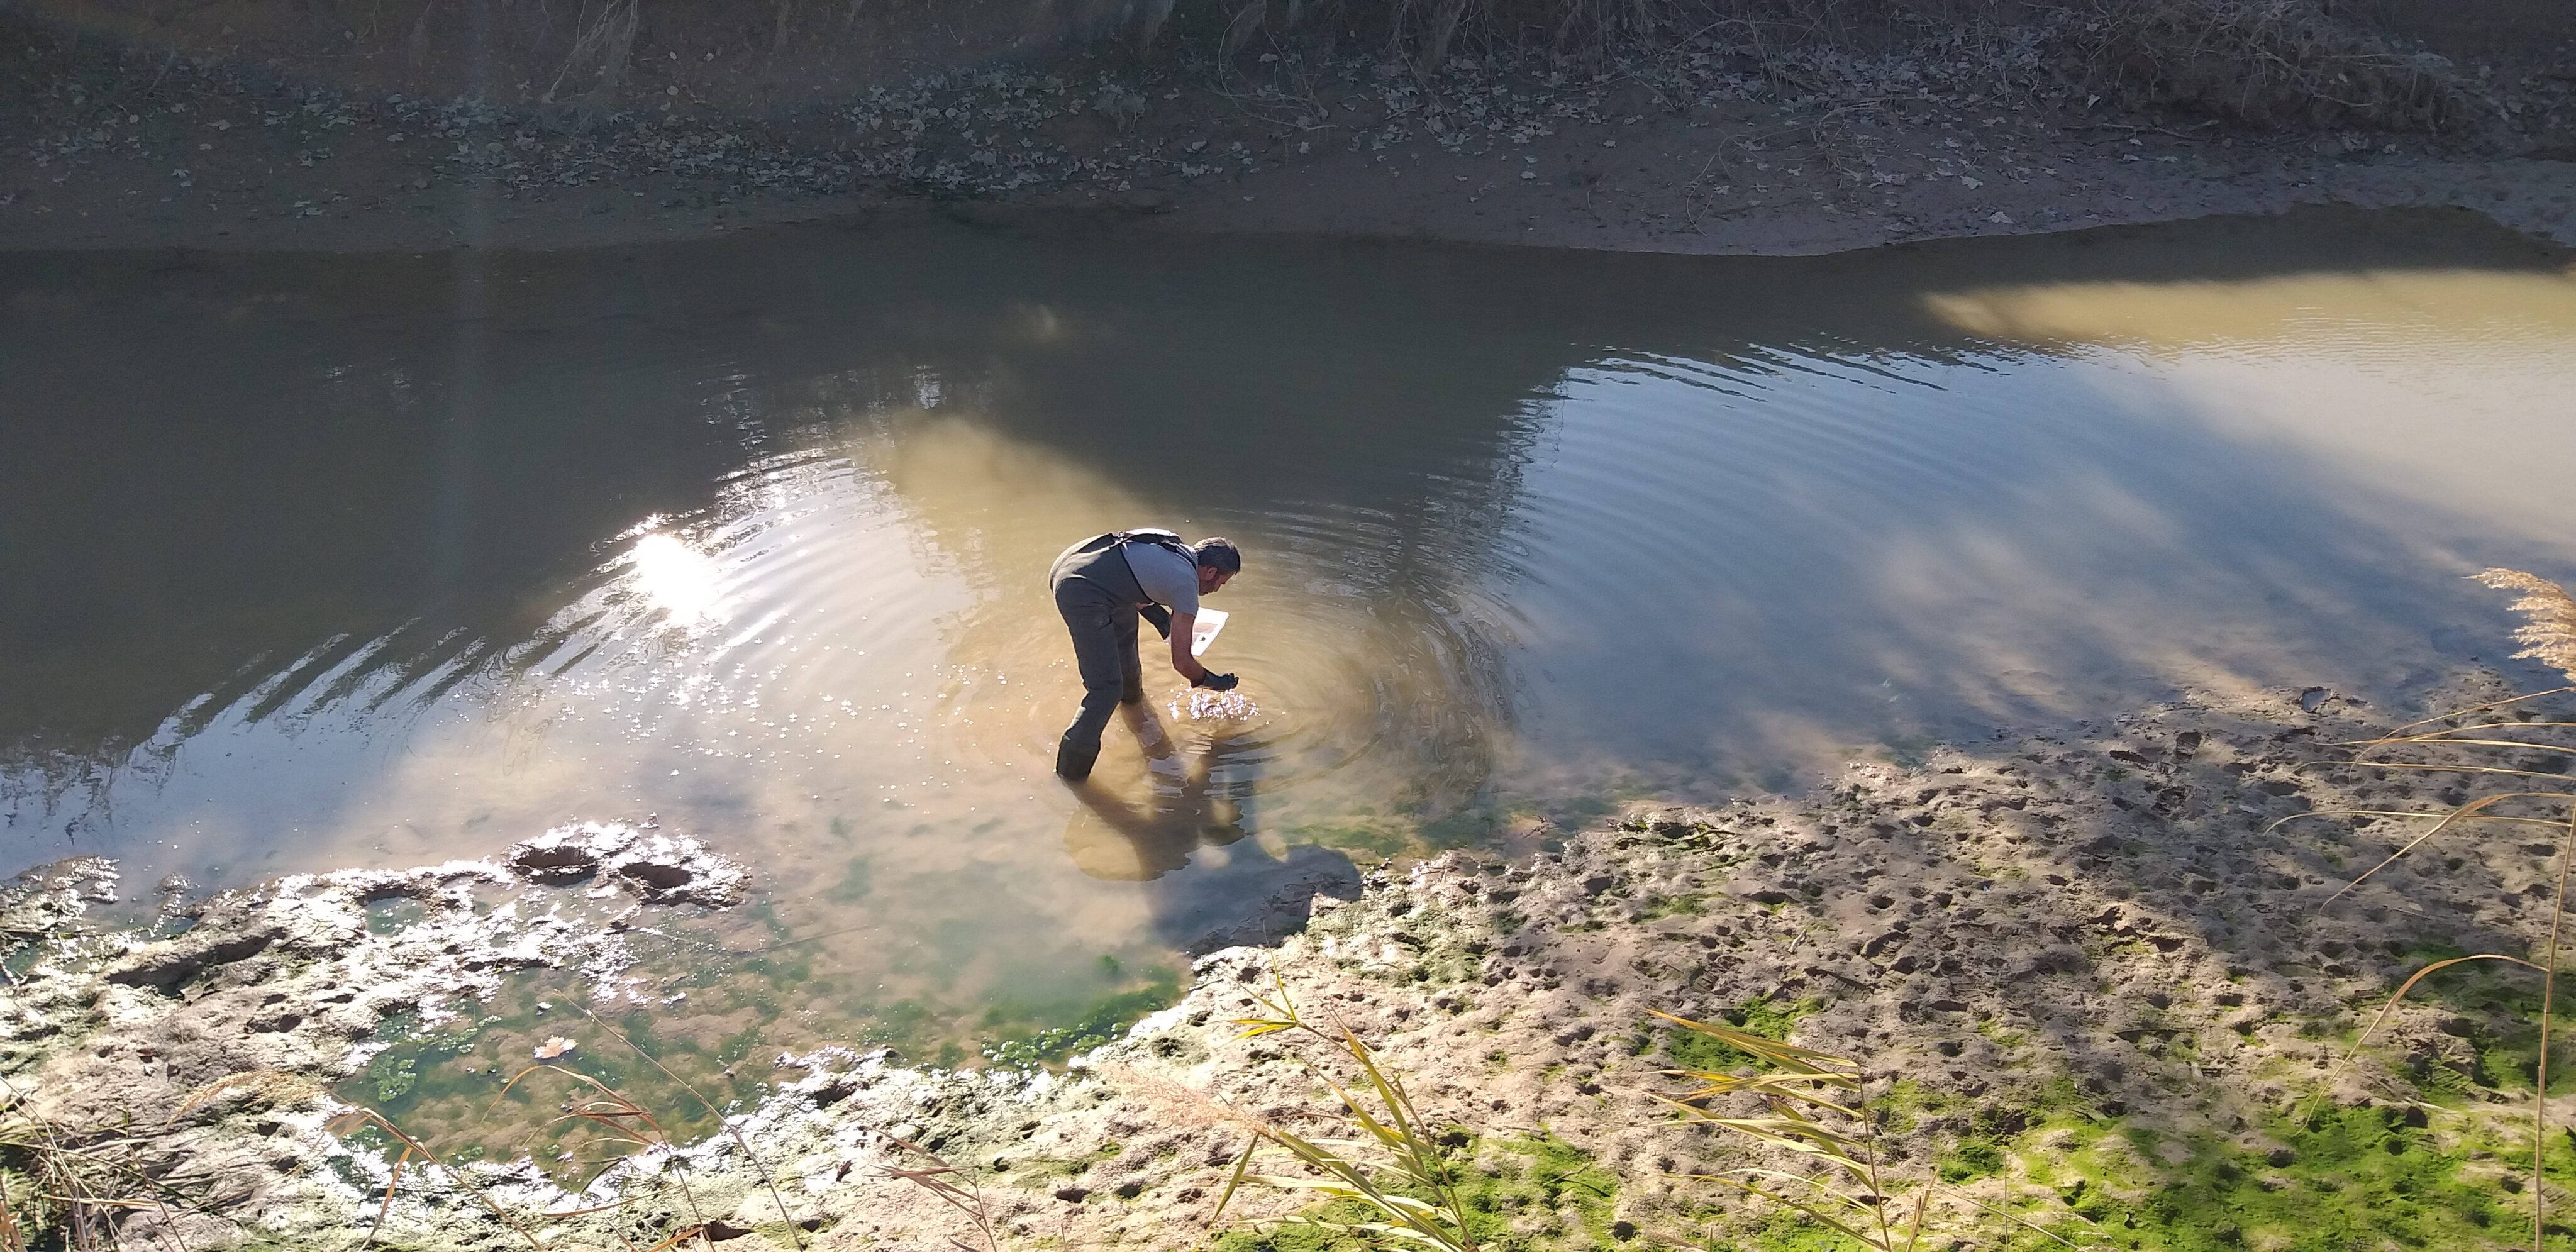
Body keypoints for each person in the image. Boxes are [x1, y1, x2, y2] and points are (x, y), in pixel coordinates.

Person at [1046, 529, 1241, 781]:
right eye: (1221, 583)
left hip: (1073, 562)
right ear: (1210, 572)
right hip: (1080, 591)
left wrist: (1163, 622)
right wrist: (1213, 681)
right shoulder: (1186, 584)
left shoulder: (1172, 547)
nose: (1217, 589)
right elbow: (1181, 662)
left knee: (1126, 636)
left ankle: (1132, 705)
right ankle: (1069, 777)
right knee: (1105, 689)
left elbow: (1134, 586)